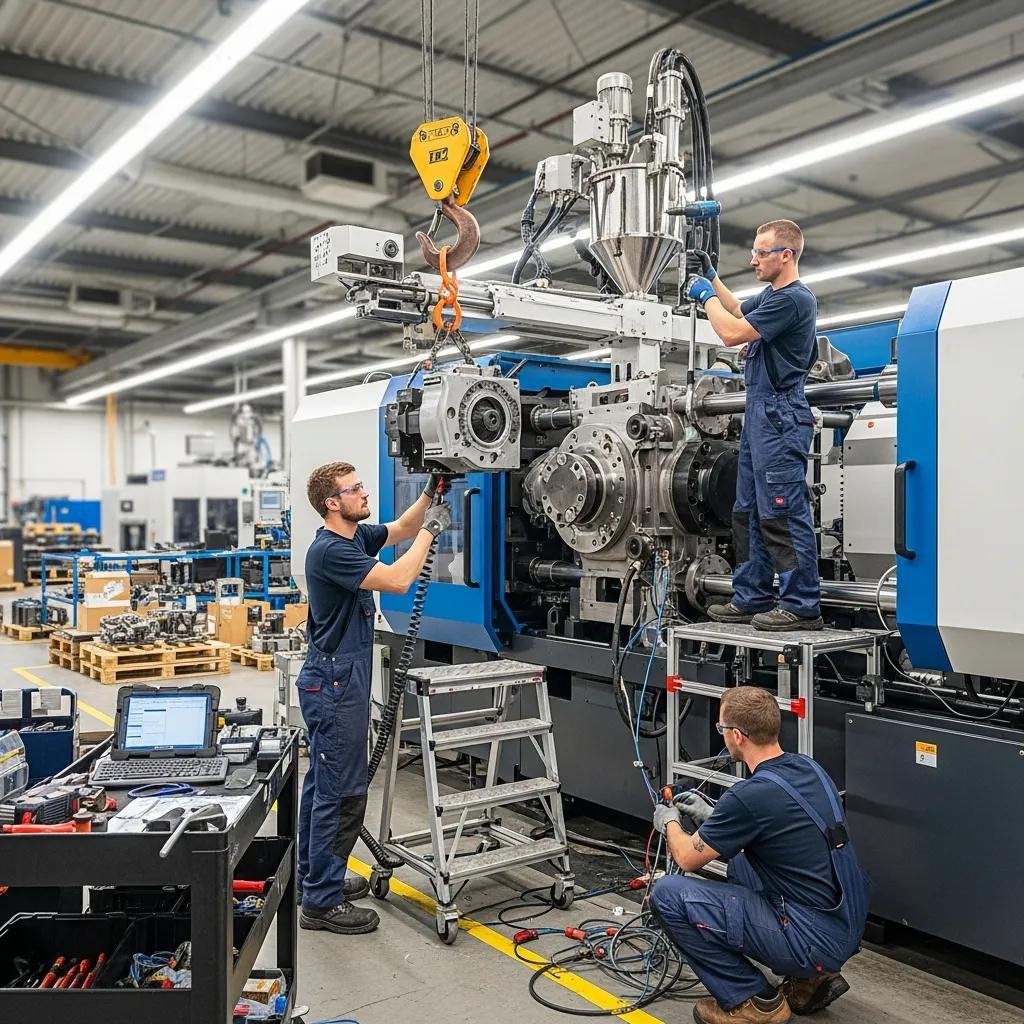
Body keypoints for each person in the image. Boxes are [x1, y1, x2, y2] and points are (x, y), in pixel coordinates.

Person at [649, 687, 869, 1024]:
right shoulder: (808, 768)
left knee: (667, 895)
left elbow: (686, 858)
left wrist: (669, 822)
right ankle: (811, 978)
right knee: (740, 861)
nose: (722, 735)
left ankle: (753, 1000)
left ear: (737, 735)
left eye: (722, 729)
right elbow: (780, 834)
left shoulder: (749, 795)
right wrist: (715, 820)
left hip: (813, 939)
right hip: (846, 923)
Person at [296, 461, 451, 935]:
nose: (363, 494)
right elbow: (401, 580)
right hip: (335, 683)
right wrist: (433, 531)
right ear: (332, 503)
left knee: (322, 785)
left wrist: (430, 493)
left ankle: (313, 878)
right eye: (354, 489)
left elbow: (401, 528)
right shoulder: (330, 551)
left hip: (340, 678)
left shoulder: (354, 538)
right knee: (341, 792)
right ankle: (321, 902)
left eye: (361, 485)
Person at [685, 220, 822, 631]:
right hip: (759, 418)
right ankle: (751, 596)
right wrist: (713, 277)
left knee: (782, 510)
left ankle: (801, 605)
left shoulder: (795, 300)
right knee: (746, 511)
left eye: (762, 253)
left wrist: (705, 296)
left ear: (787, 255)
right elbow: (737, 310)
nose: (754, 260)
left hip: (780, 417)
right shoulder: (772, 296)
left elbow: (730, 333)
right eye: (754, 252)